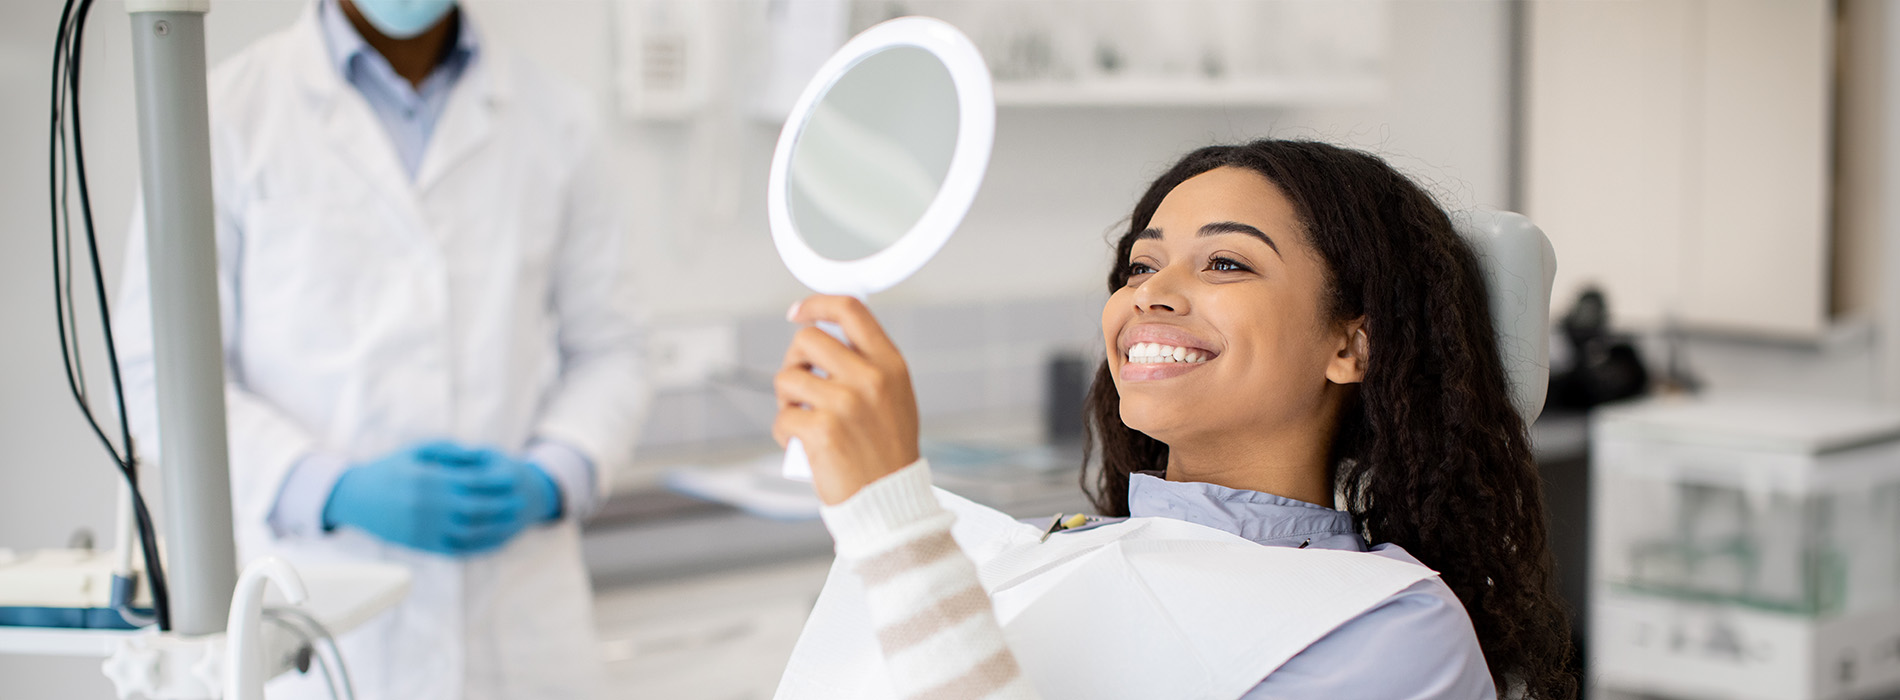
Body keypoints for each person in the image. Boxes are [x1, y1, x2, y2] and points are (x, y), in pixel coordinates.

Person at [772, 140, 1576, 698]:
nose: (1148, 293)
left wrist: (895, 524)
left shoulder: (1393, 635)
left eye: (1227, 262)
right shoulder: (1059, 556)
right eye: (1141, 265)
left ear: (1352, 344)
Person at [115, 1, 643, 698]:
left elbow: (615, 349)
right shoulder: (223, 112)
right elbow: (161, 376)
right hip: (312, 612)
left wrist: (551, 476)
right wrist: (327, 489)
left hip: (520, 623)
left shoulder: (560, 120)